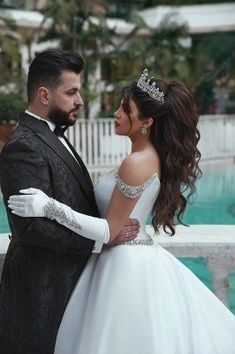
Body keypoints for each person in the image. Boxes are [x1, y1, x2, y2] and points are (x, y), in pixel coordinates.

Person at [8, 69, 235, 354]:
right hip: (119, 258)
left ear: (147, 122)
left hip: (126, 265)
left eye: (125, 109)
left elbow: (108, 231)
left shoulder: (138, 162)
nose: (116, 113)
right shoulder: (141, 158)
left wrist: (49, 206)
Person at [0, 49, 139, 354]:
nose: (80, 100)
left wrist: (110, 223)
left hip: (70, 288)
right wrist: (102, 240)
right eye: (72, 92)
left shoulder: (53, 135)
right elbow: (30, 229)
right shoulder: (22, 146)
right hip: (40, 296)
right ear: (44, 95)